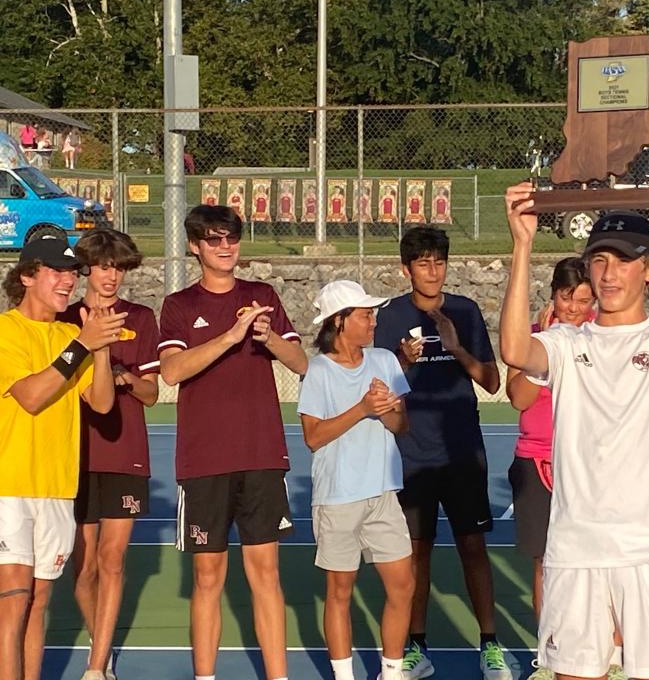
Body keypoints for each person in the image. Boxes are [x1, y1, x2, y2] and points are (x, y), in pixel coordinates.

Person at [500, 180, 649, 680]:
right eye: (599, 261)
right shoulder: (564, 342)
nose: (609, 274)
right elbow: (517, 352)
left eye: (625, 260)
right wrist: (522, 245)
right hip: (576, 549)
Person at [158, 205, 308, 680]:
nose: (225, 247)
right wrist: (231, 336)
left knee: (266, 575)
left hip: (262, 454)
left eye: (232, 238)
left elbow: (302, 363)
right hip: (204, 461)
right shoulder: (179, 305)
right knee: (208, 579)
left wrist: (268, 337)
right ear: (195, 246)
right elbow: (172, 370)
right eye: (214, 239)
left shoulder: (262, 295)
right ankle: (206, 676)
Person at [373, 226, 509, 680]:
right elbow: (377, 388)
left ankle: (490, 644)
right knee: (418, 553)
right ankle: (416, 647)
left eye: (439, 262)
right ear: (406, 269)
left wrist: (456, 349)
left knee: (474, 548)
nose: (432, 271)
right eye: (423, 263)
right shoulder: (388, 316)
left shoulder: (465, 312)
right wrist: (403, 362)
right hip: (410, 454)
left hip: (461, 450)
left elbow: (491, 381)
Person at [0, 236, 124, 680]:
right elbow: (31, 397)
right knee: (12, 602)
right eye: (57, 271)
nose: (69, 280)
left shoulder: (71, 334)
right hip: (9, 486)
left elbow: (103, 403)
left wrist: (101, 346)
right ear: (28, 277)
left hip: (56, 486)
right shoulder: (6, 331)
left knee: (38, 603)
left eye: (73, 272)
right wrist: (82, 347)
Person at [508, 258, 627, 680]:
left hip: (594, 466)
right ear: (552, 296)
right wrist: (544, 341)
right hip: (537, 459)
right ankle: (550, 654)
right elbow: (519, 398)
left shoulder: (605, 338)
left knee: (606, 560)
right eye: (566, 298)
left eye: (583, 299)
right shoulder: (534, 339)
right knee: (547, 565)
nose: (575, 309)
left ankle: (612, 658)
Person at [298, 280, 414, 680]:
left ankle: (392, 671)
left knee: (403, 586)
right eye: (365, 315)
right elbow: (313, 437)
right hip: (337, 498)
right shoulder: (317, 371)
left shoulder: (384, 360)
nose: (373, 322)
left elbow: (401, 424)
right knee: (340, 593)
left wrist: (385, 410)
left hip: (383, 494)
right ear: (339, 321)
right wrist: (363, 408)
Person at [58, 229, 160, 680]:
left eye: (117, 267)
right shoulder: (62, 317)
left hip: (124, 452)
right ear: (85, 270)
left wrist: (125, 379)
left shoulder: (141, 316)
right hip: (72, 454)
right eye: (102, 266)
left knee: (113, 560)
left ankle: (98, 665)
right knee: (84, 568)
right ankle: (102, 640)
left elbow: (153, 393)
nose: (110, 276)